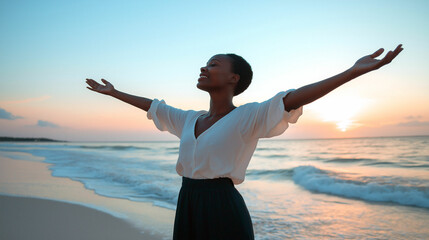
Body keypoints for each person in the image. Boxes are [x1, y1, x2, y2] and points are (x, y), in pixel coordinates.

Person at [85, 44, 403, 239]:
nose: (204, 67)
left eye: (213, 64)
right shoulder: (190, 119)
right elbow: (156, 107)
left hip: (223, 206)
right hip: (188, 203)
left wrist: (351, 72)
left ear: (233, 79)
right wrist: (113, 93)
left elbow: (290, 99)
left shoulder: (248, 116)